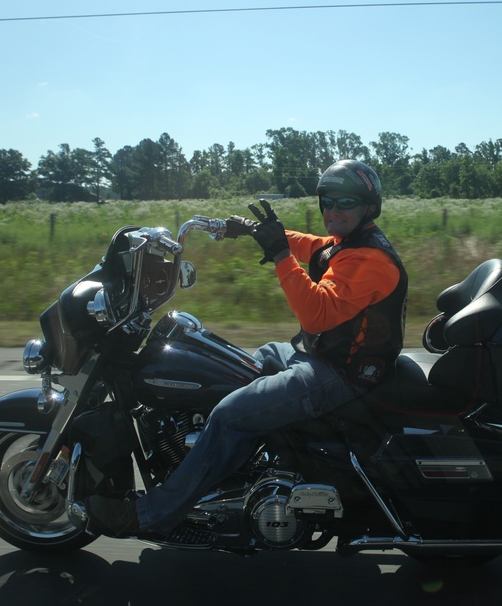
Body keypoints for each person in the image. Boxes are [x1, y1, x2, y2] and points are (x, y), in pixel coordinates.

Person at [87, 160, 408, 537]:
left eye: (346, 202)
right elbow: (309, 246)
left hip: (340, 375)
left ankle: (150, 514)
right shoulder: (348, 243)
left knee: (230, 412)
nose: (333, 211)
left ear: (369, 207)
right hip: (318, 355)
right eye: (327, 201)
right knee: (240, 366)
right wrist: (253, 231)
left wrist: (279, 256)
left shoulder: (371, 259)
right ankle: (238, 471)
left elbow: (317, 314)